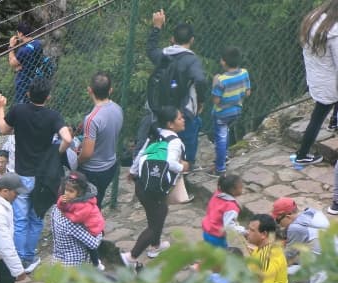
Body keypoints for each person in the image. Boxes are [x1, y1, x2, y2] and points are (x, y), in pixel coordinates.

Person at [0, 79, 73, 273]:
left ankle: (18, 259)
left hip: (22, 174)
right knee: (36, 217)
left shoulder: (19, 110)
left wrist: (0, 108)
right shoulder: (53, 116)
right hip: (43, 176)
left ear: (28, 94)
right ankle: (29, 257)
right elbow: (68, 138)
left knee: (20, 219)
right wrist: (58, 152)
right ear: (48, 97)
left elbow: (3, 129)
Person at [123, 106, 187, 270]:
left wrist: (132, 172)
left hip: (142, 185)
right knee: (154, 225)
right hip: (155, 189)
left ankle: (155, 246)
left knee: (160, 213)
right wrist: (183, 167)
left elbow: (141, 154)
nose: (183, 120)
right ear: (171, 124)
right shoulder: (175, 142)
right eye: (180, 118)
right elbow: (171, 164)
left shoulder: (155, 135)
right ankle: (131, 256)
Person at [45, 173, 103, 283]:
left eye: (71, 191)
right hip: (73, 269)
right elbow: (94, 242)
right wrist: (100, 229)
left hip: (59, 263)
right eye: (66, 190)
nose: (68, 194)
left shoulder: (57, 209)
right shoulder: (71, 221)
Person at [144, 11, 207, 173]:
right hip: (183, 112)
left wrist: (157, 26)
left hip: (163, 110)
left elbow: (150, 49)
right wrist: (200, 101)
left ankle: (162, 171)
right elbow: (200, 80)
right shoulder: (192, 60)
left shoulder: (163, 55)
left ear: (173, 39)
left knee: (165, 141)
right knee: (188, 139)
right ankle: (185, 170)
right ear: (191, 40)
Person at [295, 2, 338, 167]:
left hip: (316, 77)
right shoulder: (334, 32)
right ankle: (302, 154)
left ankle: (334, 121)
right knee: (317, 119)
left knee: (320, 114)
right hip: (329, 84)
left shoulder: (315, 19)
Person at [77, 72, 125, 205]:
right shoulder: (118, 109)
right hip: (110, 166)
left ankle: (94, 225)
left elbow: (87, 153)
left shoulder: (92, 119)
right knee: (97, 202)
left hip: (92, 171)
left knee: (85, 208)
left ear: (89, 90)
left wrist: (77, 161)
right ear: (110, 90)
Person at [211, 47, 252, 176]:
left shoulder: (221, 80)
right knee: (225, 133)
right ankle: (224, 156)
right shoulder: (244, 73)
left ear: (223, 62)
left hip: (222, 114)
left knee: (221, 138)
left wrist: (214, 83)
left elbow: (216, 101)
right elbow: (248, 93)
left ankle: (220, 168)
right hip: (237, 111)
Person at [245, 214, 288, 283]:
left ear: (263, 234)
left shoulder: (268, 259)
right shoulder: (268, 246)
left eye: (252, 230)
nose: (248, 233)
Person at [9, 21, 48, 107]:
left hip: (23, 81)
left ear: (21, 33)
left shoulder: (24, 50)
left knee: (21, 106)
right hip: (34, 79)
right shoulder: (37, 44)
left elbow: (12, 63)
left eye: (17, 33)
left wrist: (11, 47)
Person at [202, 174, 247, 248]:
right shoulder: (231, 207)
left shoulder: (218, 193)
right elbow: (229, 227)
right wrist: (244, 231)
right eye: (240, 187)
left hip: (206, 231)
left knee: (209, 253)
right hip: (216, 237)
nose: (242, 188)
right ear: (233, 190)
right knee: (221, 257)